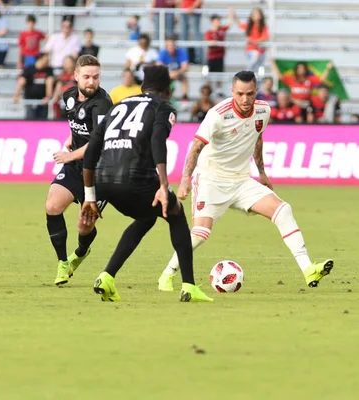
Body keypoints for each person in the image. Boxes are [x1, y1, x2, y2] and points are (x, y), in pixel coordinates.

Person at [157, 71, 333, 291]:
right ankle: (167, 274)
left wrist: (262, 172)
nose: (245, 99)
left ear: (256, 91)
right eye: (240, 94)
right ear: (233, 92)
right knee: (201, 234)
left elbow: (258, 137)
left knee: (283, 210)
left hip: (241, 181)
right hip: (211, 180)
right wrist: (185, 180)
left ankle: (308, 269)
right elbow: (195, 147)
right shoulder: (217, 114)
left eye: (250, 93)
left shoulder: (263, 111)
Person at [81, 65, 213, 303]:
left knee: (146, 217)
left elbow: (91, 152)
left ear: (142, 87)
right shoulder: (163, 106)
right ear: (168, 90)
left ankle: (107, 276)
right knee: (174, 211)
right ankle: (189, 286)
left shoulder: (119, 105)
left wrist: (90, 197)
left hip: (104, 182)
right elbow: (157, 142)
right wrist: (163, 186)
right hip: (136, 178)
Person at [44, 55, 113, 286]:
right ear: (76, 76)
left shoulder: (103, 104)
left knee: (84, 226)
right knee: (52, 206)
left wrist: (69, 154)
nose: (91, 82)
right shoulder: (68, 96)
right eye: (86, 77)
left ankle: (81, 252)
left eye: (96, 77)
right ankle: (62, 263)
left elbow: (99, 141)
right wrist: (70, 140)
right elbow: (79, 127)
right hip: (75, 166)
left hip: (99, 171)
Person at [13, 53, 55, 120]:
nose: (47, 62)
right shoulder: (29, 69)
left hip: (42, 100)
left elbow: (49, 83)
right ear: (40, 59)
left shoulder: (48, 70)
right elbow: (21, 81)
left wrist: (48, 97)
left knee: (43, 121)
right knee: (30, 119)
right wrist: (16, 95)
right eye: (46, 60)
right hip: (30, 99)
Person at [204, 10, 234, 93]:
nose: (218, 22)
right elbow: (208, 42)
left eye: (219, 21)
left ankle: (219, 90)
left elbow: (229, 24)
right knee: (210, 74)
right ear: (212, 22)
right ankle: (208, 89)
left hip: (220, 56)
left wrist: (231, 13)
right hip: (211, 57)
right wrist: (215, 43)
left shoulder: (221, 30)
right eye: (217, 21)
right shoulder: (209, 32)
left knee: (219, 73)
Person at [157, 36, 189, 101]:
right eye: (169, 45)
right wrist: (169, 73)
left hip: (178, 74)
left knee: (184, 78)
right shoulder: (163, 53)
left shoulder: (181, 52)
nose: (171, 47)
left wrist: (176, 73)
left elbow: (185, 67)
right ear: (166, 46)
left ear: (175, 45)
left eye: (172, 45)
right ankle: (163, 98)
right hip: (167, 74)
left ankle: (185, 98)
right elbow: (159, 65)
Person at [236, 8, 269, 73]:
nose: (255, 15)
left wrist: (254, 42)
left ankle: (257, 79)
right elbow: (239, 24)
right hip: (251, 49)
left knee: (260, 68)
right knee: (255, 56)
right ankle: (247, 73)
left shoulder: (263, 26)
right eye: (254, 14)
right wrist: (233, 15)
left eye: (257, 14)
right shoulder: (249, 25)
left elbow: (265, 38)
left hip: (261, 50)